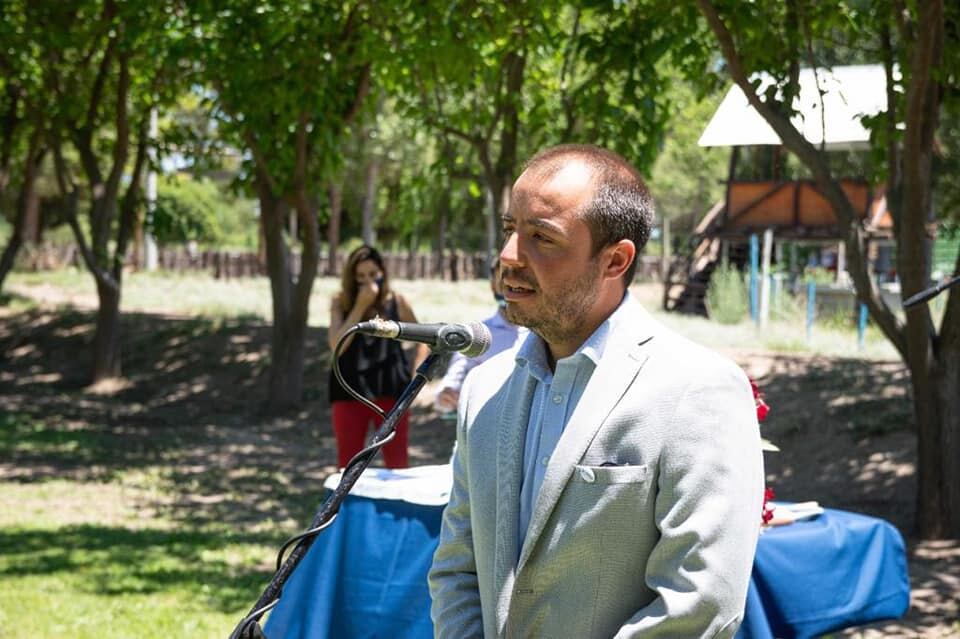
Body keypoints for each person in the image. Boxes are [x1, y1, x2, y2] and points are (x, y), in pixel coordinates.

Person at [428, 145, 764, 638]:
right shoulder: (485, 387)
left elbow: (700, 603)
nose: (507, 257)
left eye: (542, 237)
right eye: (510, 229)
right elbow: (457, 570)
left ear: (614, 260)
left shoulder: (697, 389)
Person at [327, 245, 428, 469]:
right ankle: (346, 505)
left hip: (391, 389)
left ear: (383, 272)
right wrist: (359, 306)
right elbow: (336, 346)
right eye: (361, 276)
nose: (368, 281)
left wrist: (417, 377)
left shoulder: (397, 301)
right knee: (348, 465)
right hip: (350, 389)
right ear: (352, 278)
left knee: (397, 463)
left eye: (373, 274)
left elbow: (425, 339)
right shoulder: (340, 302)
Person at [434, 258, 525, 415]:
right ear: (493, 287)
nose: (512, 286)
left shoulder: (545, 332)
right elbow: (457, 372)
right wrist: (447, 393)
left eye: (518, 278)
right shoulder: (479, 334)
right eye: (503, 279)